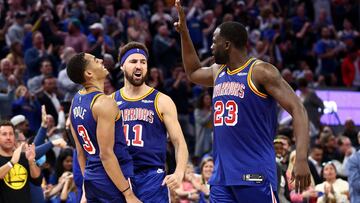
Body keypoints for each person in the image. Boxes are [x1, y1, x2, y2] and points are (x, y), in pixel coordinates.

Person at [174, 1, 311, 202]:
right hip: (221, 177)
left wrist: (300, 158)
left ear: (227, 45)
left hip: (254, 172)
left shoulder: (260, 71)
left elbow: (299, 109)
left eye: (214, 42)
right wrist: (184, 32)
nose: (211, 47)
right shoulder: (217, 71)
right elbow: (193, 72)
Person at [112, 42, 188, 202]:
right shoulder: (110, 102)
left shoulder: (161, 100)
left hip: (152, 176)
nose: (139, 66)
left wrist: (179, 171)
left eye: (143, 62)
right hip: (120, 176)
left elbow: (179, 142)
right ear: (122, 66)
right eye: (133, 61)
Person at [66, 53, 140, 202]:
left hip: (92, 178)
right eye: (94, 60)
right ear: (89, 73)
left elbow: (80, 151)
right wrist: (128, 193)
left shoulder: (75, 100)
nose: (100, 60)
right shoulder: (104, 103)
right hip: (113, 180)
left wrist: (86, 186)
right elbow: (106, 155)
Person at [0, 121, 42, 203]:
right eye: (4, 134)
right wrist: (11, 162)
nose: (8, 137)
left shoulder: (23, 157)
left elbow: (37, 181)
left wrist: (31, 162)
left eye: (11, 134)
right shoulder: (14, 159)